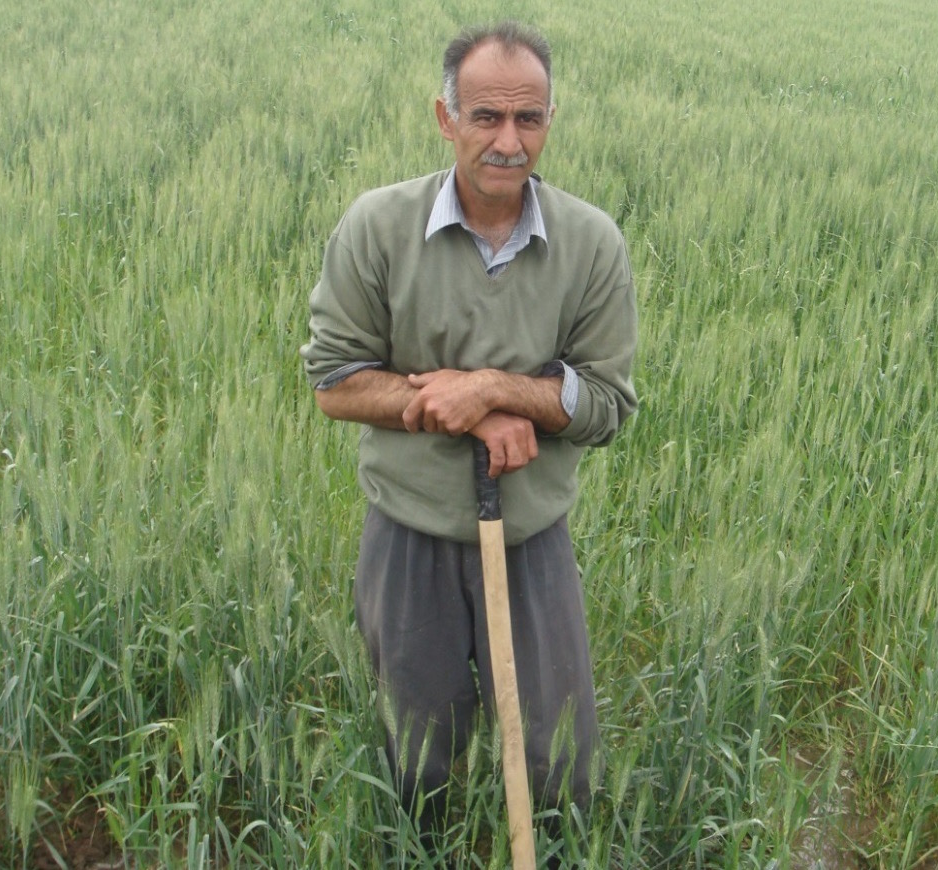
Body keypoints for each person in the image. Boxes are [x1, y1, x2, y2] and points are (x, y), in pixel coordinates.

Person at [301, 19, 638, 848]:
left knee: (561, 753)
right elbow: (335, 383)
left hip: (531, 537)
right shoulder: (378, 227)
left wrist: (493, 388)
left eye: (529, 119)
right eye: (486, 116)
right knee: (419, 754)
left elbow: (607, 405)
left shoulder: (591, 243)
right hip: (410, 533)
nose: (508, 141)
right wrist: (463, 409)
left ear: (550, 121)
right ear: (446, 117)